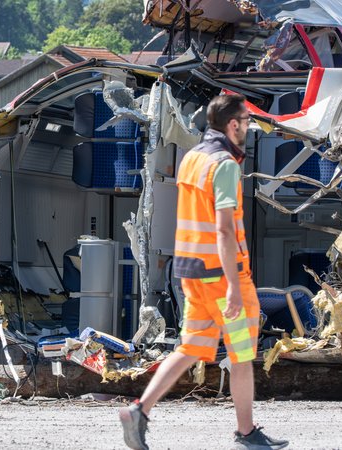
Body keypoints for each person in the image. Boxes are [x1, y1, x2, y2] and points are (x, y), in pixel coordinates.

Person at [118, 94, 288, 450]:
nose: (247, 127)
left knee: (190, 348)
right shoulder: (224, 165)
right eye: (244, 120)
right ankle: (246, 433)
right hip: (224, 275)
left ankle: (139, 410)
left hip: (191, 271)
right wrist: (232, 289)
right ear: (232, 125)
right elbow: (224, 229)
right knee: (242, 354)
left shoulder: (192, 158)